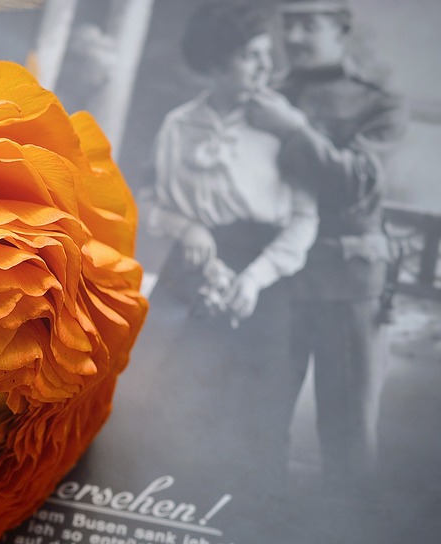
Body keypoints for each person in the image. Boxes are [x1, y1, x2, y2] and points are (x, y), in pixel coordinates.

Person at [122, 0, 317, 499]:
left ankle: (249, 526)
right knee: (172, 399)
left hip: (267, 276)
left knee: (258, 411)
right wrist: (187, 227)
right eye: (250, 56)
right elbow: (152, 200)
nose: (265, 67)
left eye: (265, 55)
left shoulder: (285, 128)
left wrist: (253, 278)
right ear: (214, 62)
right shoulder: (179, 125)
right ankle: (167, 506)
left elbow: (304, 218)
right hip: (192, 270)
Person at [245, 0, 407, 497]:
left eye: (309, 23)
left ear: (340, 31)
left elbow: (356, 185)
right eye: (287, 23)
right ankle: (256, 523)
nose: (293, 35)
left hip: (346, 282)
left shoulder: (377, 104)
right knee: (258, 417)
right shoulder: (263, 95)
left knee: (348, 427)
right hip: (276, 278)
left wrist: (294, 129)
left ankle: (344, 541)